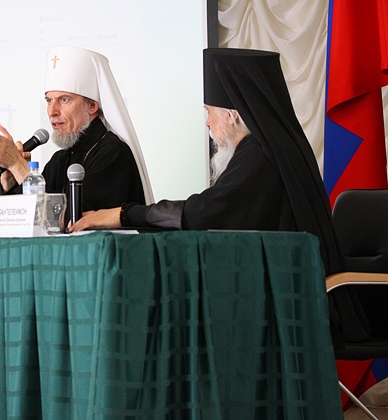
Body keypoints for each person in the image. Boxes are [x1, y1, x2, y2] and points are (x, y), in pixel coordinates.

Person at [71, 47, 369, 347]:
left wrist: (123, 214)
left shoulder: (261, 154)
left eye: (209, 112)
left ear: (232, 114)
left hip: (288, 306)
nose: (207, 123)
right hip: (278, 291)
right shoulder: (268, 146)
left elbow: (206, 212)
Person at [0, 46, 153, 227]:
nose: (52, 111)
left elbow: (76, 222)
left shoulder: (113, 153)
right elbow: (31, 223)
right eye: (49, 100)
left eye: (64, 99)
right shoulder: (59, 160)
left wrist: (19, 166)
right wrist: (13, 183)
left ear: (92, 106)